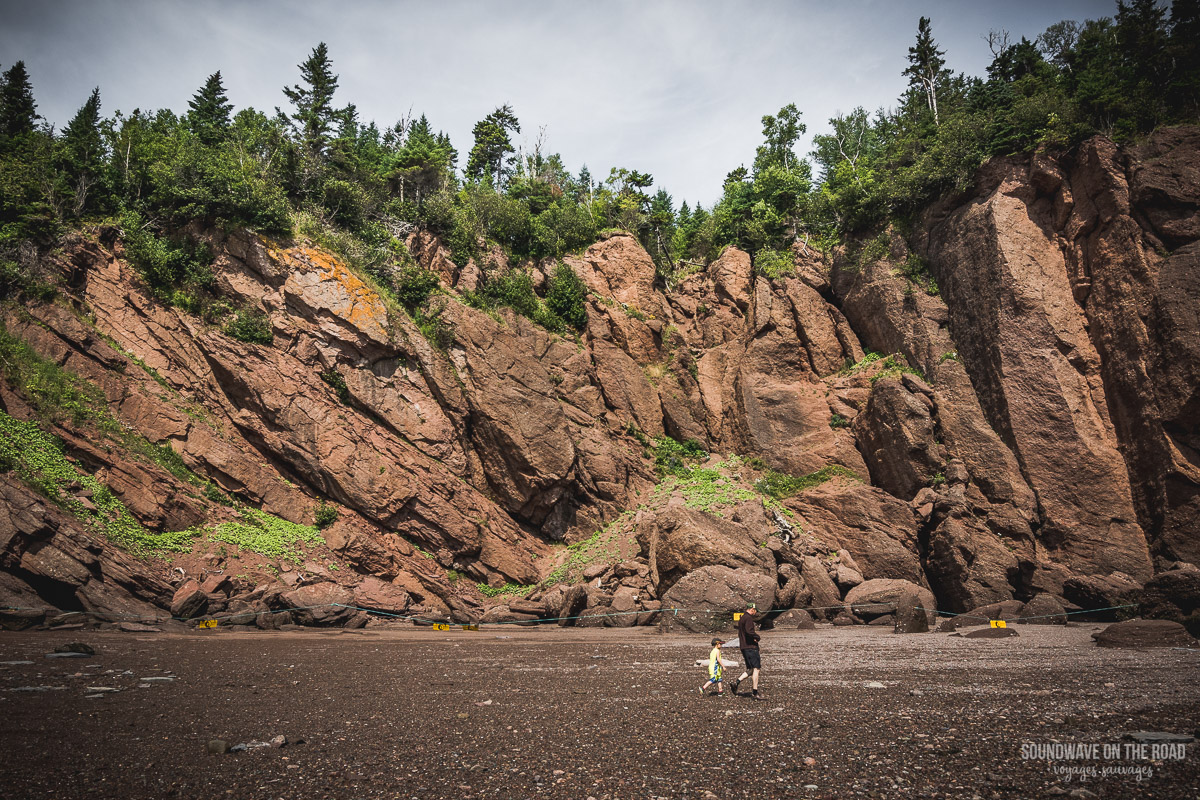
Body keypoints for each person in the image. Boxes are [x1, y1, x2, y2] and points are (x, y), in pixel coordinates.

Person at [730, 601, 762, 700]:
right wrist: (757, 637)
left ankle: (736, 682)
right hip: (751, 647)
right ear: (752, 609)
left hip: (744, 647)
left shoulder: (742, 618)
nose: (755, 613)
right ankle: (755, 692)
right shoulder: (748, 618)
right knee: (756, 669)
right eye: (755, 610)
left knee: (750, 669)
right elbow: (749, 631)